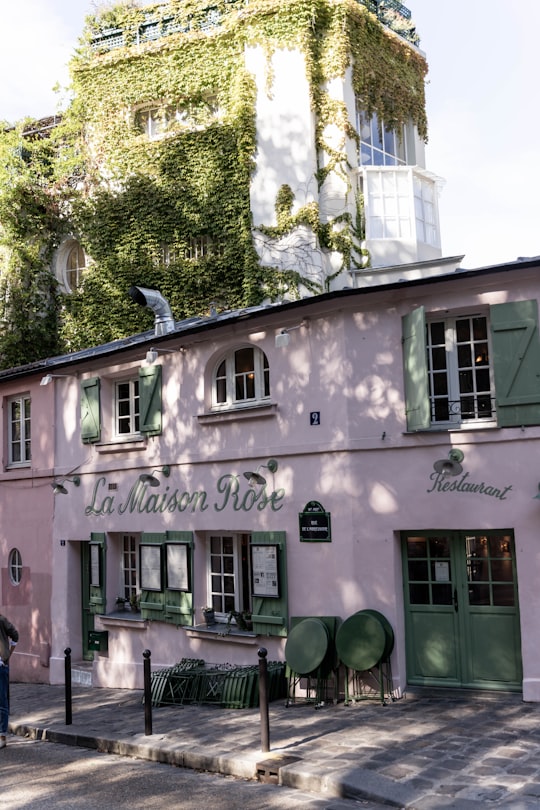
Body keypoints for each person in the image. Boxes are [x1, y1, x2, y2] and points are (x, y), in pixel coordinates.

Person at [0, 613, 18, 748]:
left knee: (2, 701)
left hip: (0, 666)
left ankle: (2, 736)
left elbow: (15, 634)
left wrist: (7, 654)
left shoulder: (1, 620)